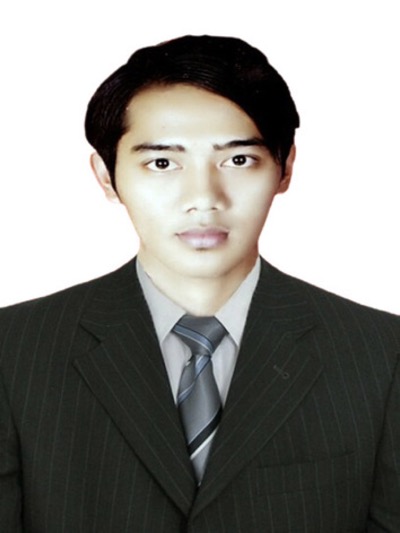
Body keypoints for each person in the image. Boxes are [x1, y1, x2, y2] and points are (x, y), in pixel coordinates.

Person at [0, 35, 399, 533]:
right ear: (106, 176)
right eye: (162, 163)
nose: (204, 198)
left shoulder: (382, 354)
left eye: (238, 160)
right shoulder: (13, 351)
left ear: (285, 167)